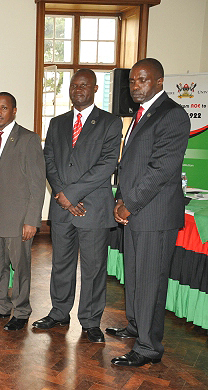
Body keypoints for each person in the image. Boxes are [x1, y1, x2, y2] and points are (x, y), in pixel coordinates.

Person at [109, 58, 189, 366]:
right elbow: (128, 165)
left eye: (142, 80)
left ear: (158, 82)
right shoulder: (140, 115)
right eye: (131, 81)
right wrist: (120, 199)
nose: (135, 86)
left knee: (150, 281)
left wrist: (130, 203)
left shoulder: (172, 116)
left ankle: (148, 347)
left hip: (154, 216)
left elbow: (160, 170)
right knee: (135, 276)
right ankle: (135, 326)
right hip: (135, 212)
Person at [34, 69, 122, 343]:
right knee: (61, 264)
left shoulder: (110, 122)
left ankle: (90, 321)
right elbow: (48, 160)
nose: (77, 89)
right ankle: (59, 312)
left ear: (95, 89)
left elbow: (107, 164)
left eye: (83, 85)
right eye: (73, 85)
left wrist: (71, 194)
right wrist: (61, 194)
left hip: (93, 208)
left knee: (94, 269)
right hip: (62, 207)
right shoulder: (57, 122)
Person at [0, 92, 45, 331]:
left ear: (14, 111)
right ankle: (0, 306)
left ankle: (22, 310)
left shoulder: (28, 139)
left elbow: (37, 184)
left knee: (20, 265)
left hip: (18, 217)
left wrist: (32, 220)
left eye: (4, 108)